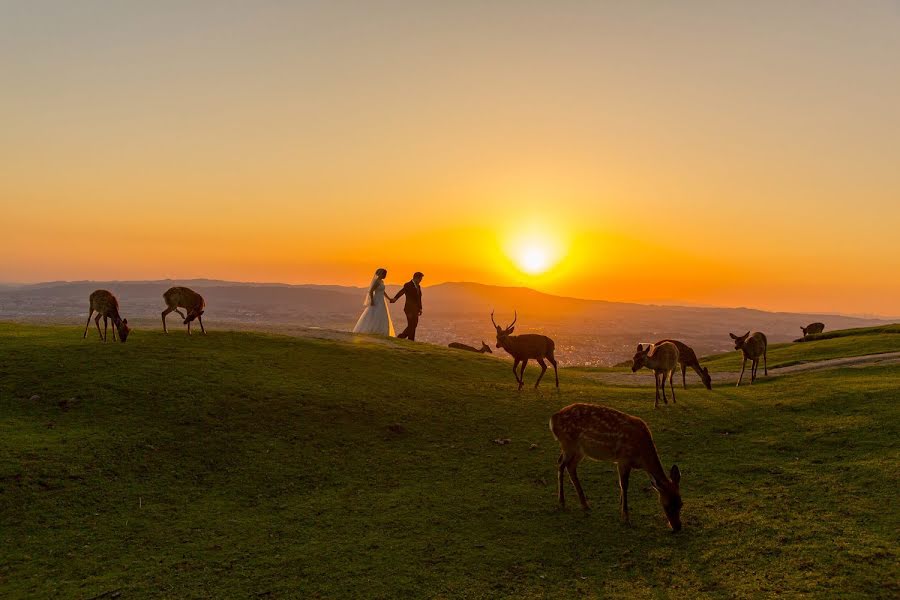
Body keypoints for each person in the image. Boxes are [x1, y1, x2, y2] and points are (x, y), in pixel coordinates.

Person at [352, 268, 395, 336]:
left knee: (382, 315)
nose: (385, 275)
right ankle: (372, 330)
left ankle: (381, 331)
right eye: (384, 274)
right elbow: (371, 291)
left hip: (382, 300)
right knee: (374, 314)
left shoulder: (381, 282)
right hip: (377, 299)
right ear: (381, 274)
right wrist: (372, 300)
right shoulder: (377, 281)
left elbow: (383, 292)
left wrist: (389, 298)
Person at [391, 272, 423, 340]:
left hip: (416, 309)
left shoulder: (418, 286)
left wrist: (420, 308)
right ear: (416, 278)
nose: (421, 281)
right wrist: (395, 298)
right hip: (409, 309)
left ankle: (406, 338)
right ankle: (404, 338)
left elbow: (419, 298)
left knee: (414, 324)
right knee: (412, 324)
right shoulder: (408, 285)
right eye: (420, 279)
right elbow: (402, 292)